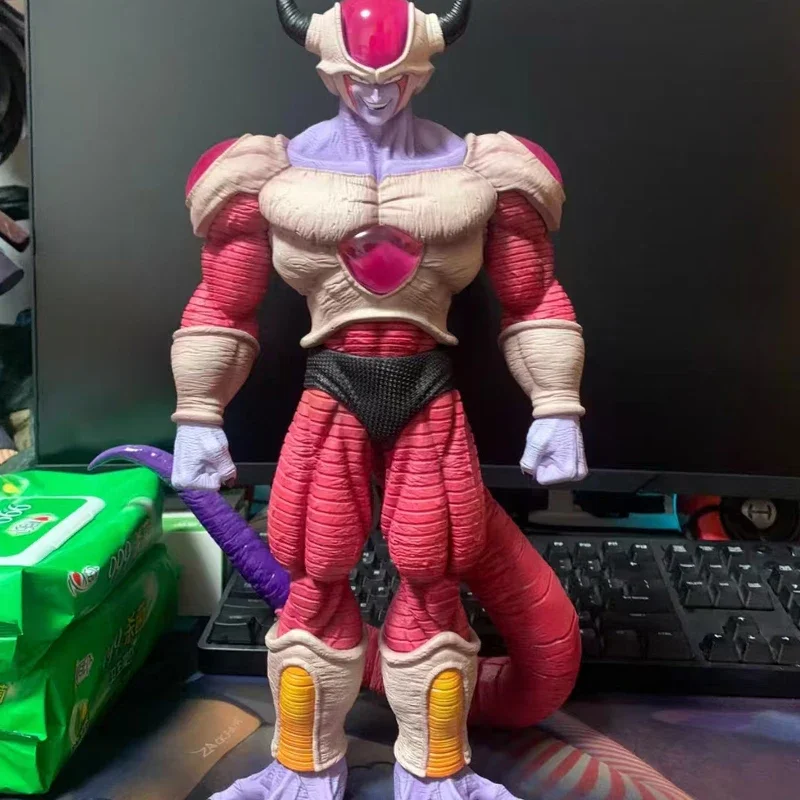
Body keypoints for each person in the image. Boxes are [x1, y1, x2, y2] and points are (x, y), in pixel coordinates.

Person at [171, 1, 587, 797]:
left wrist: (557, 403)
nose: (373, 90)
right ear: (327, 70)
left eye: (392, 76)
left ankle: (433, 771)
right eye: (355, 75)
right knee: (313, 572)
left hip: (427, 388)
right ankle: (302, 766)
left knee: (434, 572)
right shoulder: (267, 172)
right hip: (332, 386)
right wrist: (197, 414)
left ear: (421, 70)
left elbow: (532, 297)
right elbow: (223, 303)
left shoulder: (484, 170)